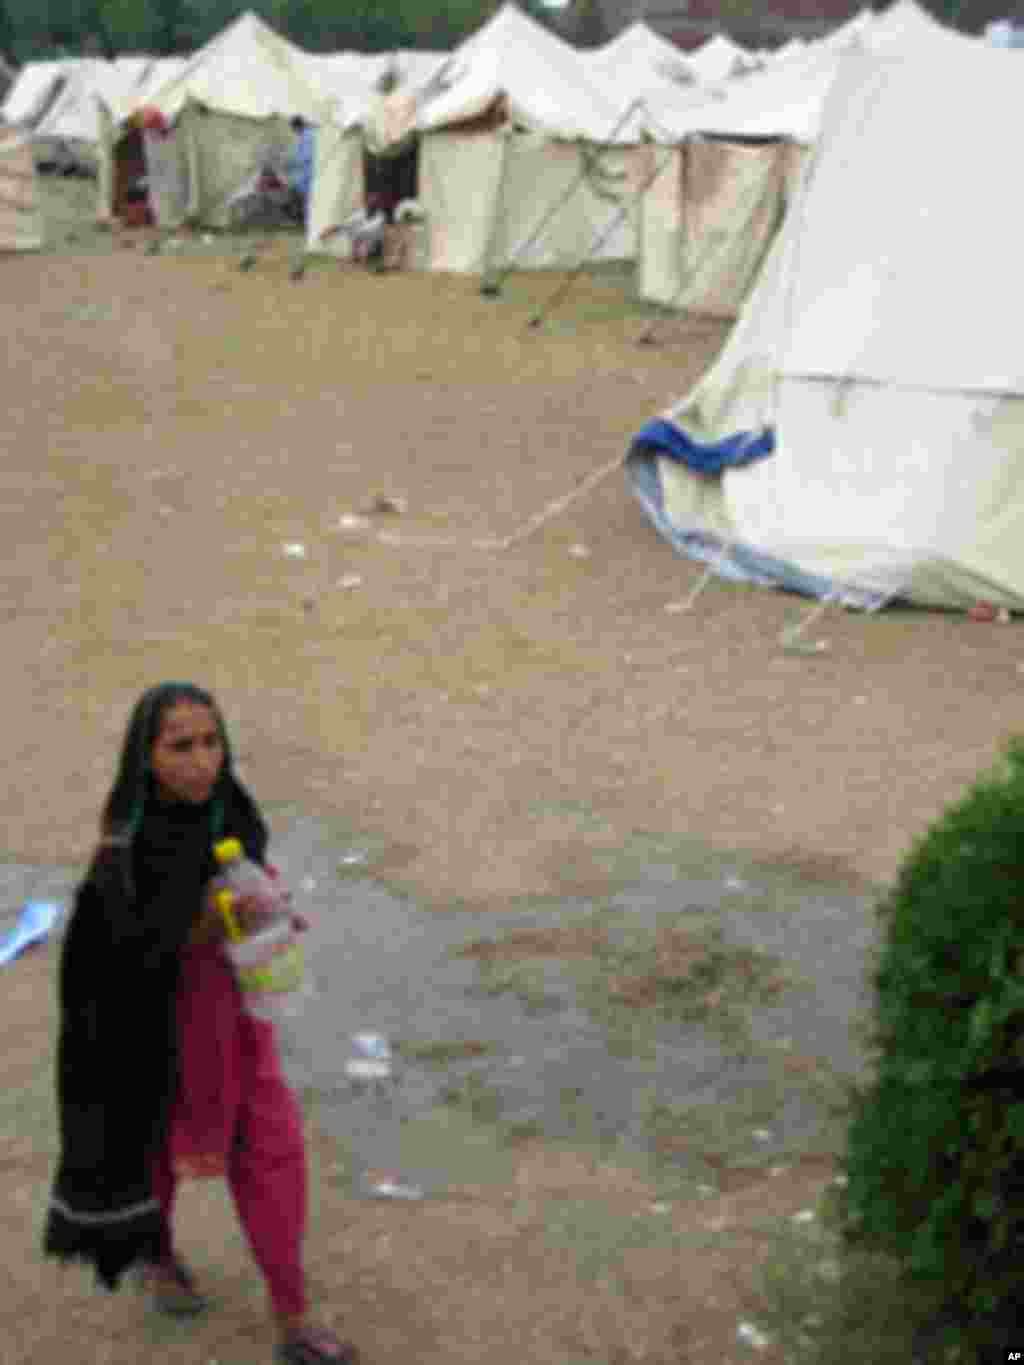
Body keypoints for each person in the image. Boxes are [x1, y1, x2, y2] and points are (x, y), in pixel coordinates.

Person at [42, 681, 358, 1365]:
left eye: (211, 741)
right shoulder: (121, 857)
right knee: (154, 1157)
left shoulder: (235, 818)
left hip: (240, 1030)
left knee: (273, 1157)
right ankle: (156, 1255)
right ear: (146, 756)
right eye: (179, 745)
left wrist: (267, 912)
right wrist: (195, 927)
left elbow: (249, 879)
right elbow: (109, 958)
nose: (201, 760)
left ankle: (294, 1316)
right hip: (158, 1040)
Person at [287, 116, 316, 225]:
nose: (294, 132)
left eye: (293, 129)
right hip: (306, 172)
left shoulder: (308, 137)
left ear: (297, 126)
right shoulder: (306, 135)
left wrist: (293, 164)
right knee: (307, 198)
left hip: (309, 172)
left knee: (309, 198)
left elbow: (306, 156)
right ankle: (306, 220)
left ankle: (308, 221)